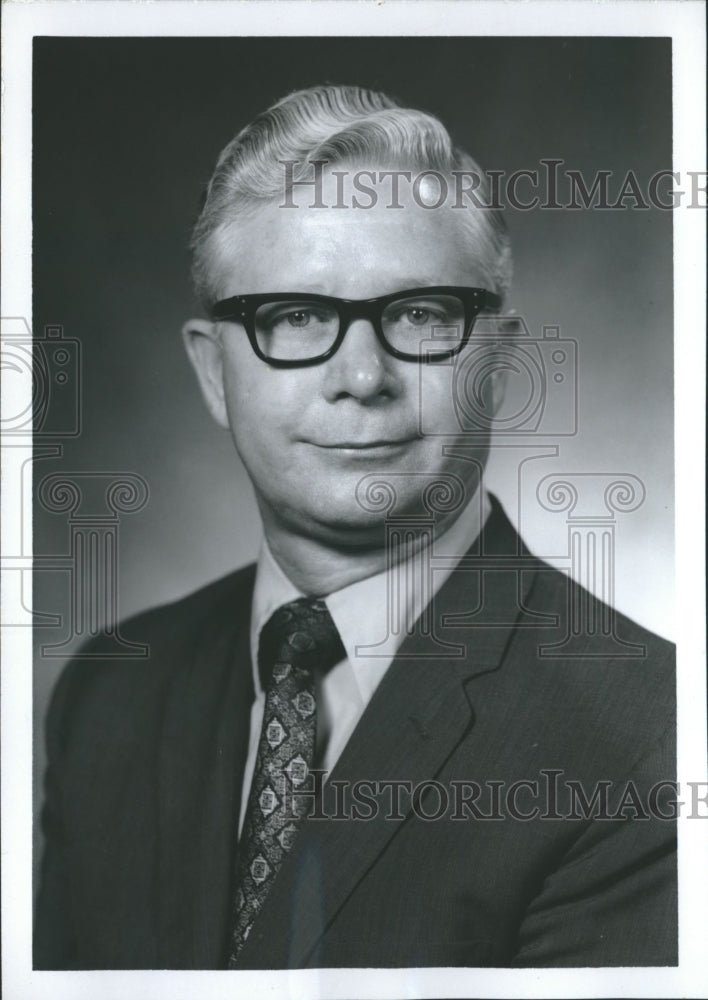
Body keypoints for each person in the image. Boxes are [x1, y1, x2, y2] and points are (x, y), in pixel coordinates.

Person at [34, 84, 676, 970]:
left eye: (420, 314)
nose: (361, 377)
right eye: (295, 317)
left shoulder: (653, 734)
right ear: (215, 373)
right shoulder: (110, 696)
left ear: (499, 363)